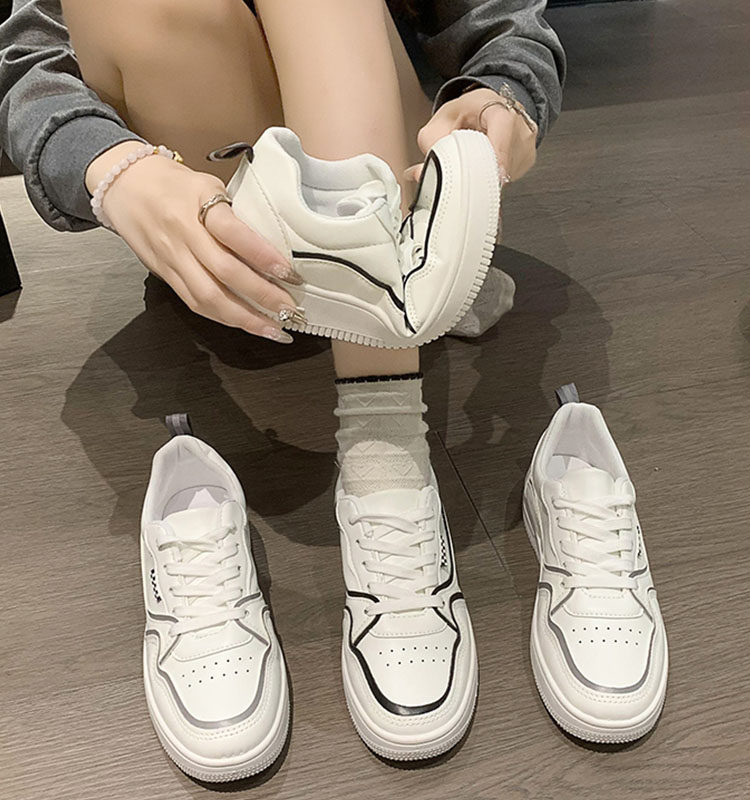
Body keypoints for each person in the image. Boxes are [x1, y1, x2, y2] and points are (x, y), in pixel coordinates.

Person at [0, 0, 565, 769]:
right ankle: (380, 290)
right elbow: (29, 64)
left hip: (380, 149)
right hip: (221, 193)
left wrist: (506, 95)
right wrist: (114, 170)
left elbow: (500, 21)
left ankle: (386, 445)